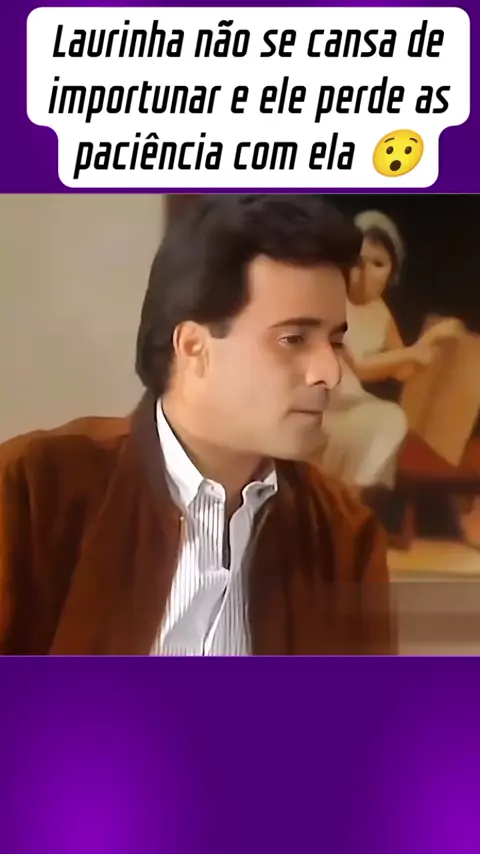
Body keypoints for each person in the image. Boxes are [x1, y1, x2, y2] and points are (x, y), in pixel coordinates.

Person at [0, 194, 395, 657]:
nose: (329, 371)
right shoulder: (33, 491)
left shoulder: (344, 533)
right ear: (193, 348)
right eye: (293, 339)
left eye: (335, 341)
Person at [318, 210, 463, 490]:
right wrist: (416, 350)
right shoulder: (332, 301)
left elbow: (402, 372)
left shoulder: (381, 313)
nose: (365, 274)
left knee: (393, 419)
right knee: (381, 423)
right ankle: (344, 497)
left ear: (392, 272)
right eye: (357, 262)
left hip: (355, 404)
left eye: (378, 264)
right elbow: (359, 367)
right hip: (325, 404)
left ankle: (356, 497)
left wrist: (432, 345)